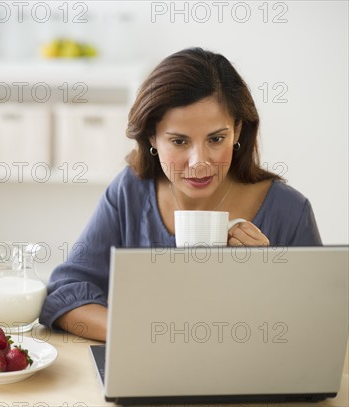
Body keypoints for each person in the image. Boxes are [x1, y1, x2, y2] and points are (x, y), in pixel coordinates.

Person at [39, 47, 322, 341]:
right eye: (178, 141)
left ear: (237, 130)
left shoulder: (290, 212)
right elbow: (65, 293)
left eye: (216, 138)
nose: (199, 162)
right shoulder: (130, 192)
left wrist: (266, 282)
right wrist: (145, 336)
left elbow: (319, 325)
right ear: (152, 137)